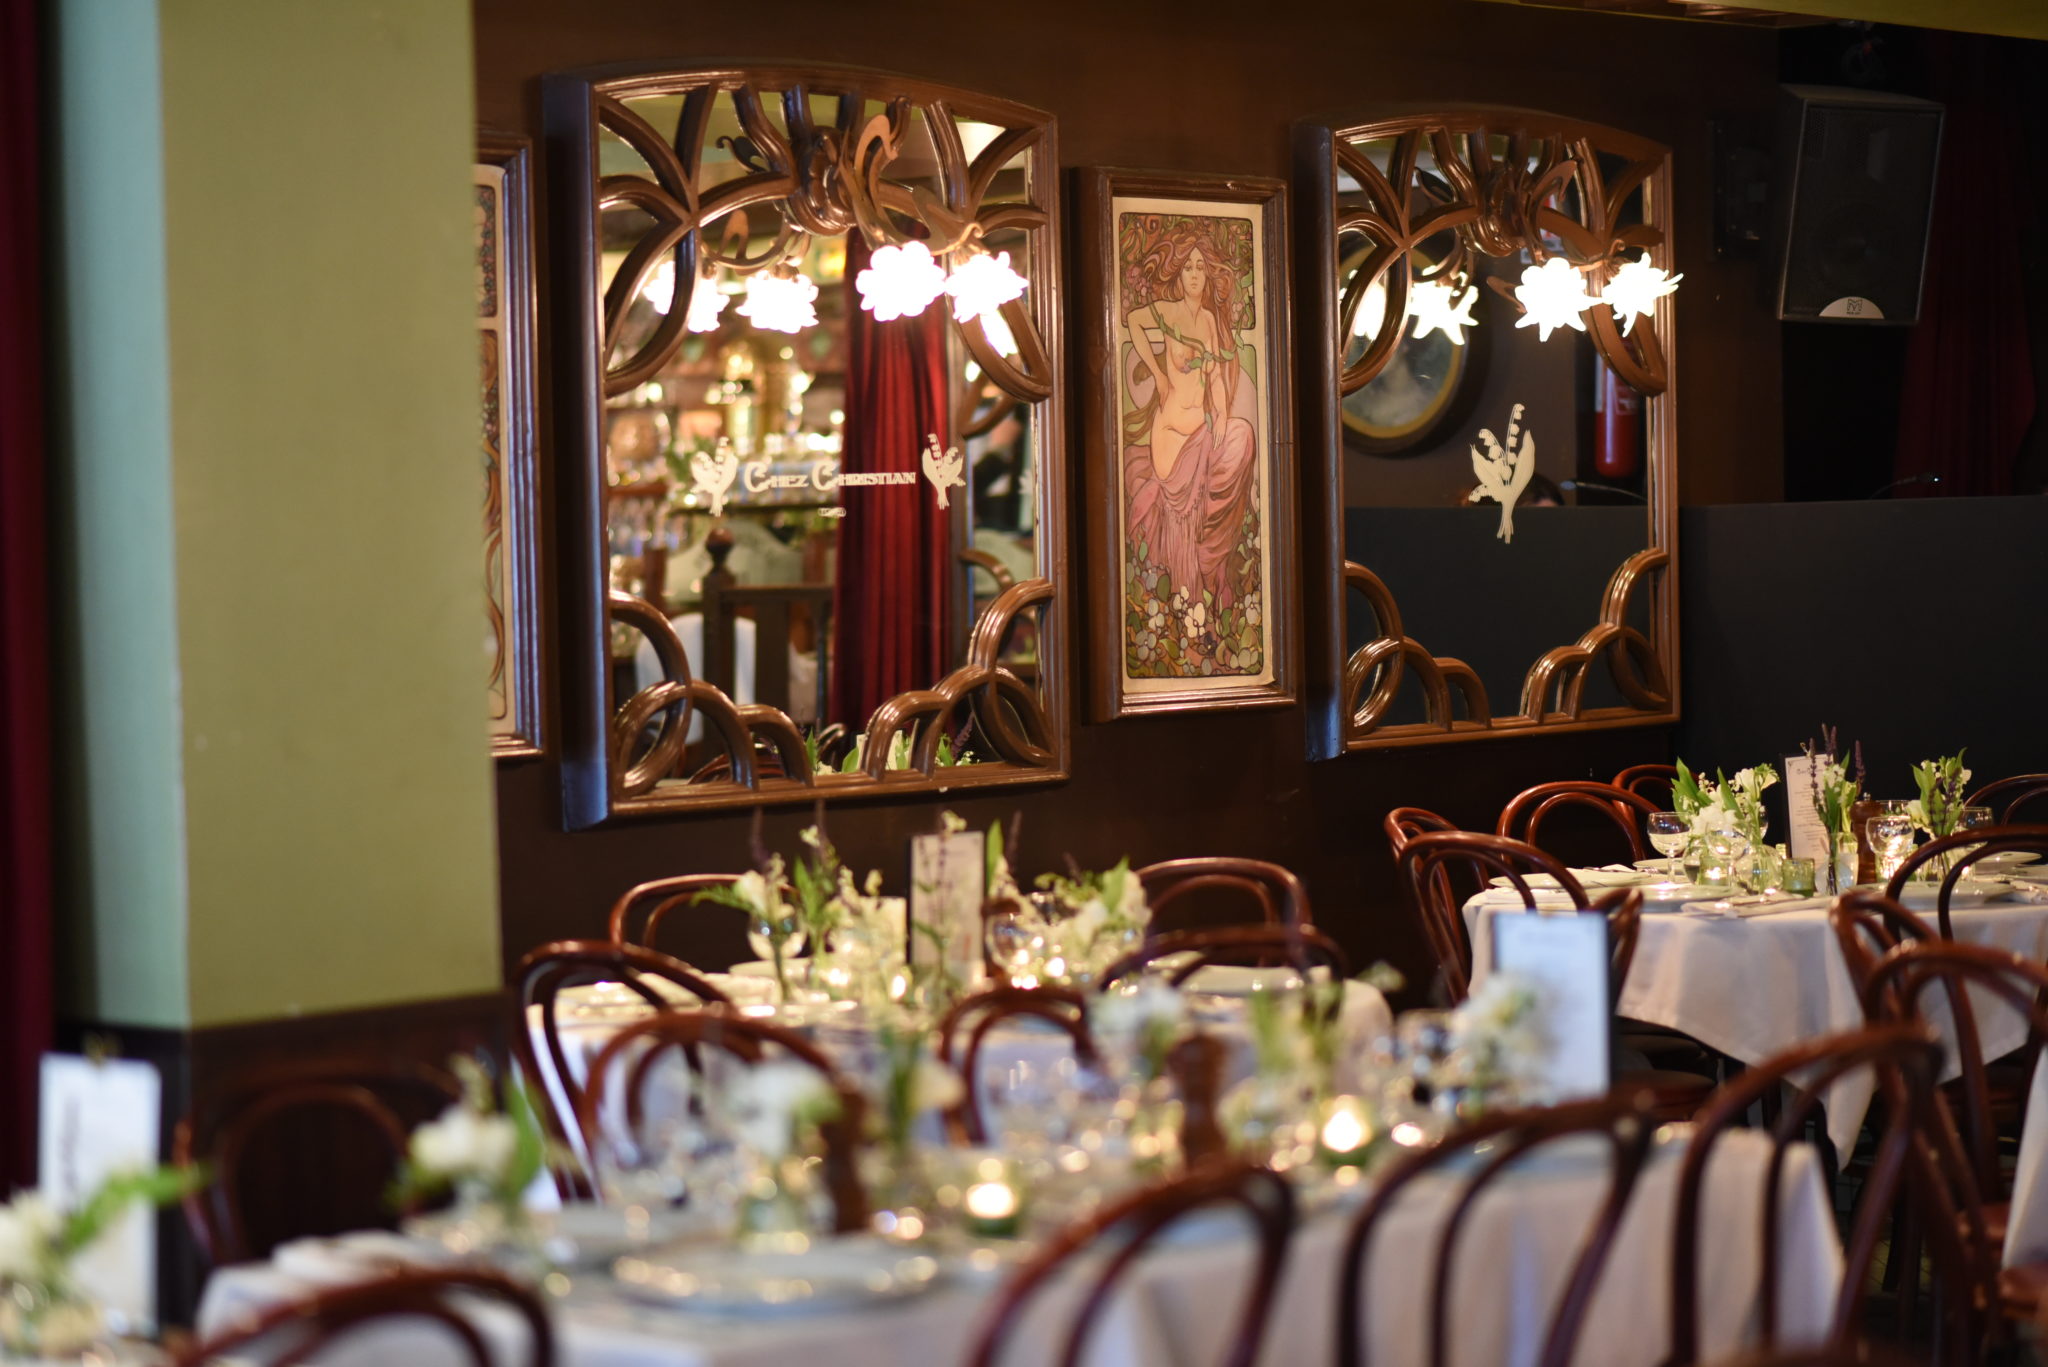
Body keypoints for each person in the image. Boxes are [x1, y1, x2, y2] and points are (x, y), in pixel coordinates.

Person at [1120, 222, 1261, 672]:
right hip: (1170, 437)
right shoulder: (1167, 312)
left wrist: (1219, 412)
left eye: (1201, 267)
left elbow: (1215, 376)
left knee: (1244, 436)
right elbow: (1133, 322)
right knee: (1183, 524)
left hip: (1201, 431)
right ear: (1179, 275)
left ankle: (1208, 597)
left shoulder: (1212, 322)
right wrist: (1158, 373)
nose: (1196, 274)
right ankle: (1192, 635)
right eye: (1189, 268)